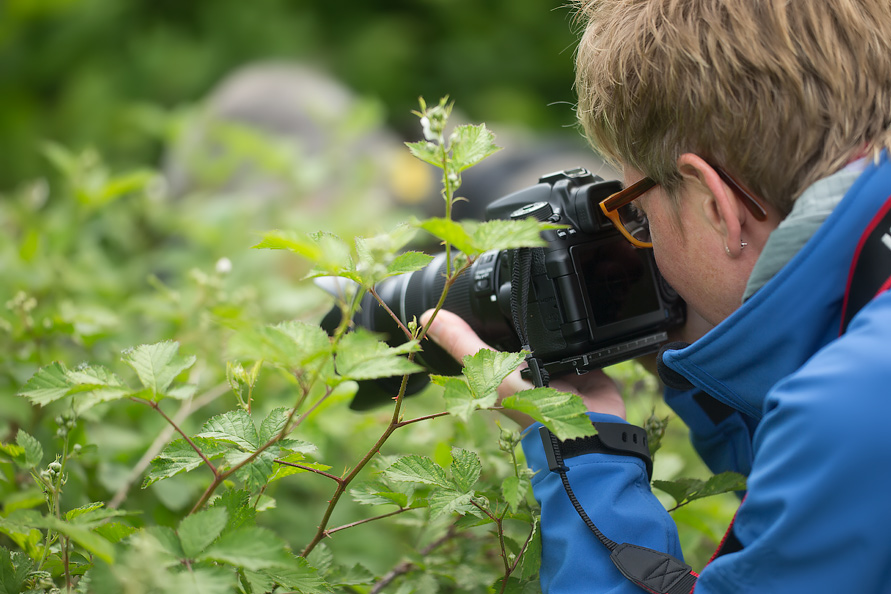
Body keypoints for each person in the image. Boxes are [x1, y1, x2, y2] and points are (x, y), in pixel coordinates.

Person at [420, 1, 891, 591]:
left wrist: (582, 454)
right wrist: (706, 353)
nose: (640, 244)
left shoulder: (847, 410)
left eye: (636, 212)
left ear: (716, 205)